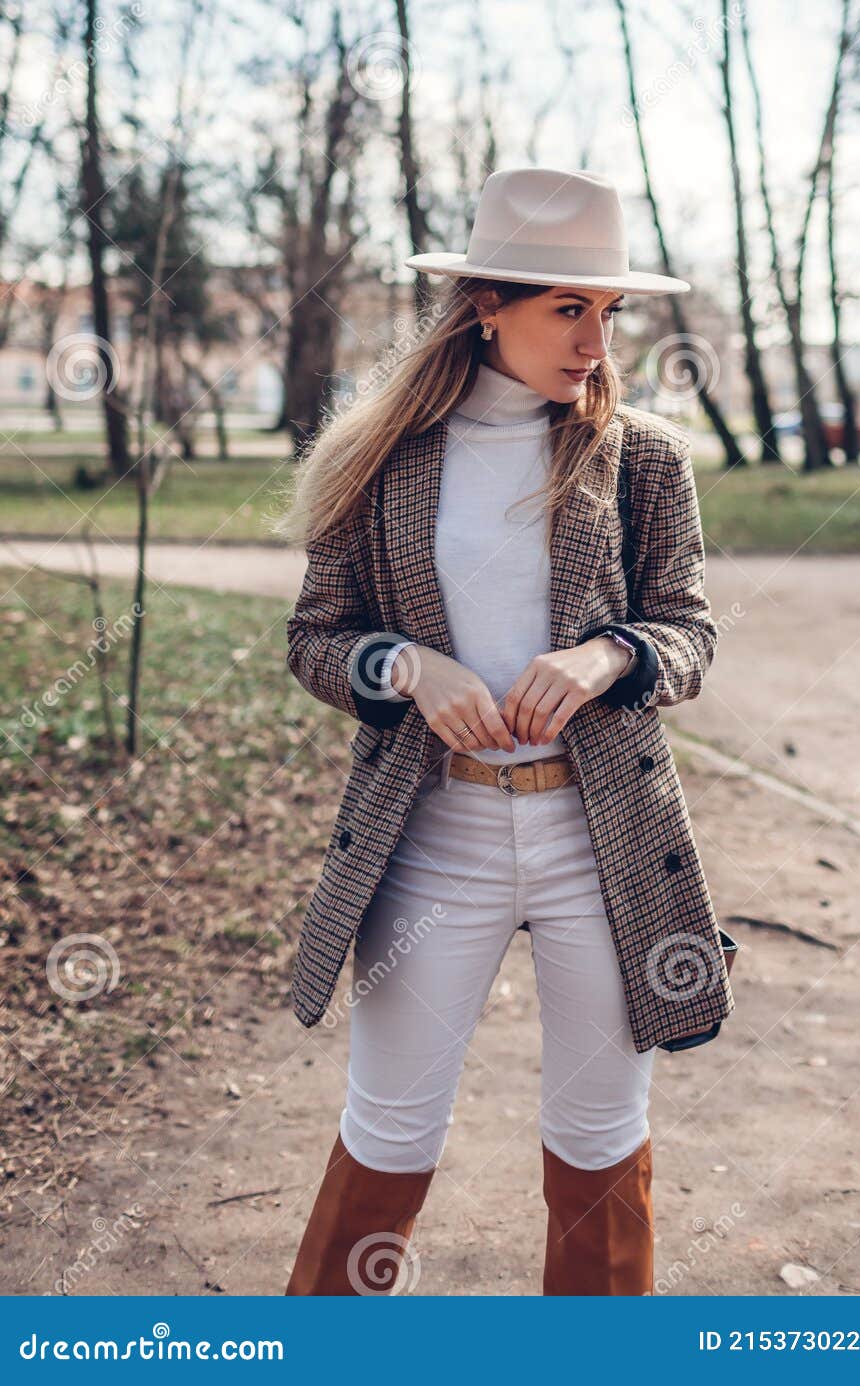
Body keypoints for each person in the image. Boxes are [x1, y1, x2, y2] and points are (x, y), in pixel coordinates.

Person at [279, 166, 735, 1296]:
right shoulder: (381, 457)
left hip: (602, 841)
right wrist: (401, 665)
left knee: (598, 1136)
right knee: (388, 1126)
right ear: (487, 304)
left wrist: (608, 654)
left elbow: (687, 630)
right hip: (433, 835)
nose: (593, 341)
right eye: (565, 308)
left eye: (607, 312)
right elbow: (315, 637)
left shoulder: (639, 458)